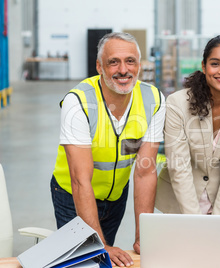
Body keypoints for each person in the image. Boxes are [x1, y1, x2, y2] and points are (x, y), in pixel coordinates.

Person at [50, 32, 165, 266]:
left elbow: (144, 172)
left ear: (139, 65)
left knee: (106, 263)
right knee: (85, 261)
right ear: (99, 66)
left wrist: (144, 235)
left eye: (130, 61)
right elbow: (80, 180)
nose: (123, 70)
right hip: (72, 195)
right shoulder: (79, 102)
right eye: (114, 62)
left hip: (115, 197)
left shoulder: (153, 99)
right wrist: (100, 245)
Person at [155, 35, 220, 243]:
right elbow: (178, 167)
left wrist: (218, 226)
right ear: (203, 65)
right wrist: (198, 226)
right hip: (179, 206)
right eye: (215, 63)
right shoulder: (177, 103)